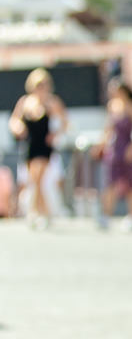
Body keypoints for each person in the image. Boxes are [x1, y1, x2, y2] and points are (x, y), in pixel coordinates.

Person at [9, 68, 69, 229]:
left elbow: (65, 121)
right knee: (34, 181)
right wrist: (18, 128)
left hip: (44, 146)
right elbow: (14, 120)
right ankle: (42, 212)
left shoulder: (52, 102)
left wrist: (55, 134)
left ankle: (36, 211)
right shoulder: (25, 102)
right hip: (30, 145)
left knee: (38, 178)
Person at [95, 82, 132, 230]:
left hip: (129, 150)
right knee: (110, 183)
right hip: (115, 151)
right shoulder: (113, 106)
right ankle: (106, 215)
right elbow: (108, 130)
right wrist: (101, 145)